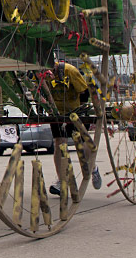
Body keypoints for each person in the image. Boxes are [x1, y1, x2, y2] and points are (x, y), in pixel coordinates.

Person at [44, 61, 101, 195]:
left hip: (76, 111)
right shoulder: (42, 75)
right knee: (59, 143)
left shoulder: (70, 71)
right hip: (57, 113)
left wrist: (79, 112)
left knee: (80, 143)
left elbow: (84, 93)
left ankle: (93, 168)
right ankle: (61, 180)